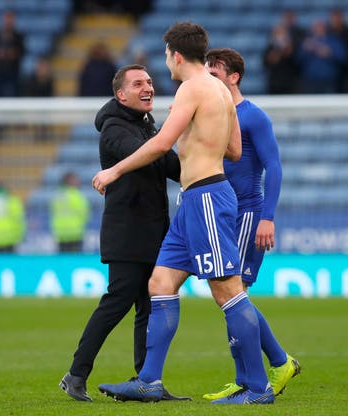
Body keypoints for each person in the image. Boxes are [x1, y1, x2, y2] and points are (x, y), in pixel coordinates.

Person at [92, 21, 273, 405]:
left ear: (175, 54)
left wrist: (115, 169)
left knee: (226, 289)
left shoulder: (192, 87)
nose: (166, 63)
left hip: (206, 197)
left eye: (165, 55)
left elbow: (161, 143)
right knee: (160, 283)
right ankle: (149, 381)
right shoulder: (222, 91)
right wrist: (200, 135)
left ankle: (258, 388)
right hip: (195, 200)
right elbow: (236, 151)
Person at [60, 64, 185, 402]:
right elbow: (144, 157)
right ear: (121, 94)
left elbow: (173, 167)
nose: (148, 87)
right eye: (138, 83)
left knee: (149, 307)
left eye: (149, 81)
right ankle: (75, 375)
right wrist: (177, 133)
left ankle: (146, 381)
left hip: (154, 231)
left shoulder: (147, 127)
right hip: (128, 233)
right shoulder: (114, 129)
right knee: (117, 303)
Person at [204, 47, 300, 400]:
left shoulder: (253, 116)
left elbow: (273, 166)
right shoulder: (213, 114)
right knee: (229, 296)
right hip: (221, 213)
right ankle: (258, 372)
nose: (209, 81)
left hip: (247, 212)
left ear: (234, 77)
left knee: (234, 293)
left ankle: (262, 370)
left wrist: (267, 218)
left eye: (215, 75)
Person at [50, 171, 90, 253]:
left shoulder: (57, 195)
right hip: (75, 233)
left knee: (63, 259)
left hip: (60, 232)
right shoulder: (76, 195)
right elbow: (85, 213)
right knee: (74, 259)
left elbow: (53, 211)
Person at [0, 9, 25, 97]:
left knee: (15, 95)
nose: (8, 21)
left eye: (11, 18)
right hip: (0, 71)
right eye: (7, 18)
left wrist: (13, 53)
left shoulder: (19, 36)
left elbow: (23, 51)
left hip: (15, 71)